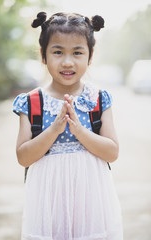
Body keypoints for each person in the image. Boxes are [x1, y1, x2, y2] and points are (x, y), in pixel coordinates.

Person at [13, 11, 123, 240]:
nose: (67, 61)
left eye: (77, 52)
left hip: (91, 203)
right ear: (43, 55)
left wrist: (79, 131)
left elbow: (112, 152)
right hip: (47, 204)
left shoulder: (99, 99)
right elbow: (23, 157)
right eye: (58, 52)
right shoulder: (32, 102)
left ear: (90, 56)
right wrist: (54, 129)